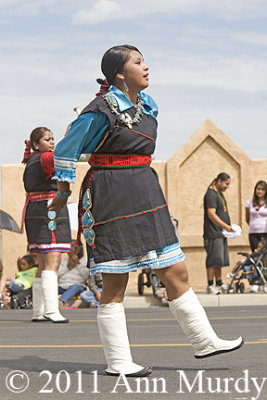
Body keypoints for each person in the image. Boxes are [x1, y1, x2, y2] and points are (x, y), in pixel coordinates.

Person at [49, 45, 243, 377]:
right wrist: (63, 190)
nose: (147, 67)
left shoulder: (148, 105)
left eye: (145, 61)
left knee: (176, 270)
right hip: (112, 194)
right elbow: (66, 149)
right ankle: (119, 362)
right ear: (120, 74)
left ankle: (205, 341)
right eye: (138, 62)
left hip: (146, 190)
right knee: (115, 283)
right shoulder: (100, 110)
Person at [21, 127, 71, 322]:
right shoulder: (46, 159)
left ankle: (39, 311)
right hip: (49, 211)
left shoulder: (31, 161)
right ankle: (51, 310)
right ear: (36, 144)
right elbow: (64, 170)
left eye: (53, 139)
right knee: (53, 260)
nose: (52, 142)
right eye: (47, 139)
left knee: (42, 263)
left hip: (35, 211)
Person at [203, 172, 234, 295]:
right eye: (226, 183)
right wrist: (226, 226)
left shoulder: (218, 194)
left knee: (219, 260)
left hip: (220, 234)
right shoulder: (211, 194)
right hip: (212, 234)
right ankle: (210, 285)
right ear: (219, 181)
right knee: (212, 259)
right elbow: (211, 214)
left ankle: (219, 283)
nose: (227, 186)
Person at [245, 180, 267, 293]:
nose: (260, 191)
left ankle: (265, 282)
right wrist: (255, 227)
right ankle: (255, 282)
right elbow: (247, 218)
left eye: (262, 189)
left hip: (265, 233)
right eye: (258, 189)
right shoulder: (249, 202)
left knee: (264, 258)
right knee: (255, 258)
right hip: (253, 233)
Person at [58, 240, 89, 308]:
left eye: (71, 246)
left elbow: (86, 277)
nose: (69, 248)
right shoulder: (63, 260)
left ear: (77, 250)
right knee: (53, 288)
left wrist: (78, 264)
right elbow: (57, 275)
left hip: (77, 286)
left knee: (74, 287)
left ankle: (61, 301)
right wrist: (68, 267)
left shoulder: (84, 261)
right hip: (62, 285)